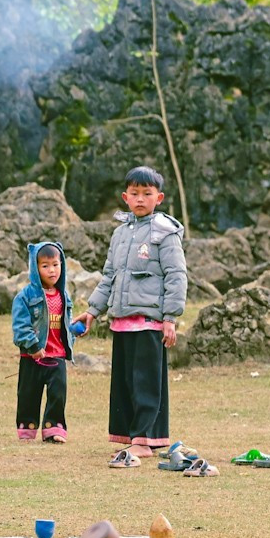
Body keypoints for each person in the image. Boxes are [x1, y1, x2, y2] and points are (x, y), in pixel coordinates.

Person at [74, 166, 187, 468]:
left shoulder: (165, 232)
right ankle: (130, 438)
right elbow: (109, 276)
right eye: (134, 194)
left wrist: (170, 318)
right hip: (122, 321)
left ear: (158, 197)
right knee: (125, 383)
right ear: (125, 197)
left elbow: (176, 276)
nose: (140, 199)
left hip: (150, 322)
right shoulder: (120, 234)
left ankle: (144, 441)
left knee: (145, 382)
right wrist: (92, 311)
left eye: (146, 194)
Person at [10, 241, 74, 442]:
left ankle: (53, 429)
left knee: (58, 393)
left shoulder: (64, 295)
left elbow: (66, 323)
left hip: (57, 355)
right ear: (35, 268)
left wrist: (73, 334)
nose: (52, 270)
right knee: (28, 393)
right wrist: (33, 346)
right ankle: (27, 429)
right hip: (33, 355)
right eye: (45, 266)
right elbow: (20, 325)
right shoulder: (25, 296)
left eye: (55, 264)